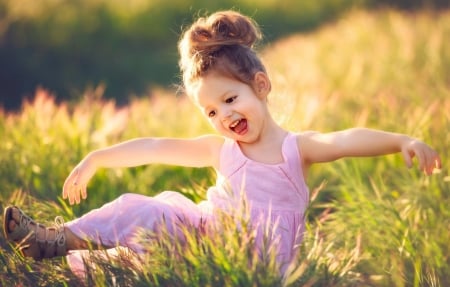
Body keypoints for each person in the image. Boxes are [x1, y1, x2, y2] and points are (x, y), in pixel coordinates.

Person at [3, 10, 441, 275]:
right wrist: (98, 157)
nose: (224, 116)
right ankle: (57, 241)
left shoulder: (295, 150)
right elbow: (156, 146)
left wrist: (400, 139)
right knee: (145, 212)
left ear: (261, 86)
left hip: (259, 262)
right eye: (211, 111)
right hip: (205, 237)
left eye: (231, 99)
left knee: (140, 263)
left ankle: (79, 259)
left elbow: (343, 139)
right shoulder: (221, 151)